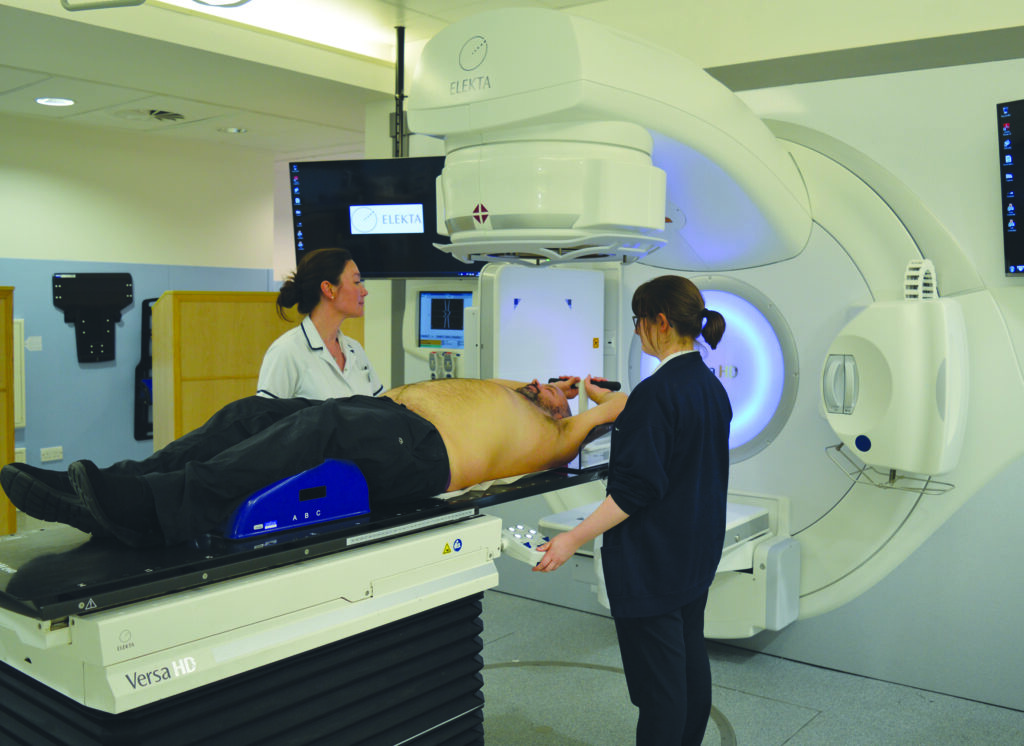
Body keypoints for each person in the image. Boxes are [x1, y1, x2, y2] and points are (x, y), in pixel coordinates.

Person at [1, 376, 625, 550]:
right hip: (387, 419)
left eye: (563, 393)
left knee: (321, 425)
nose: (554, 387)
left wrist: (591, 403)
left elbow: (593, 421)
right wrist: (539, 384)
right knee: (250, 412)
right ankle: (120, 487)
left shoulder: (556, 434)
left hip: (424, 453)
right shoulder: (517, 393)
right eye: (553, 383)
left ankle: (162, 506)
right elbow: (506, 385)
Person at [533, 275, 731, 746]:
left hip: (654, 564)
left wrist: (571, 538)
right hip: (694, 553)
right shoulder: (707, 384)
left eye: (640, 321)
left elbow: (633, 491)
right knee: (687, 664)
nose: (638, 330)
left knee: (659, 694)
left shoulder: (655, 395)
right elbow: (671, 439)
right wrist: (622, 407)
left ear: (660, 323)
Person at [257, 247, 383, 400]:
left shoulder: (355, 350)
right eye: (356, 282)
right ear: (328, 289)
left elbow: (380, 409)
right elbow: (266, 419)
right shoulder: (286, 352)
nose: (364, 291)